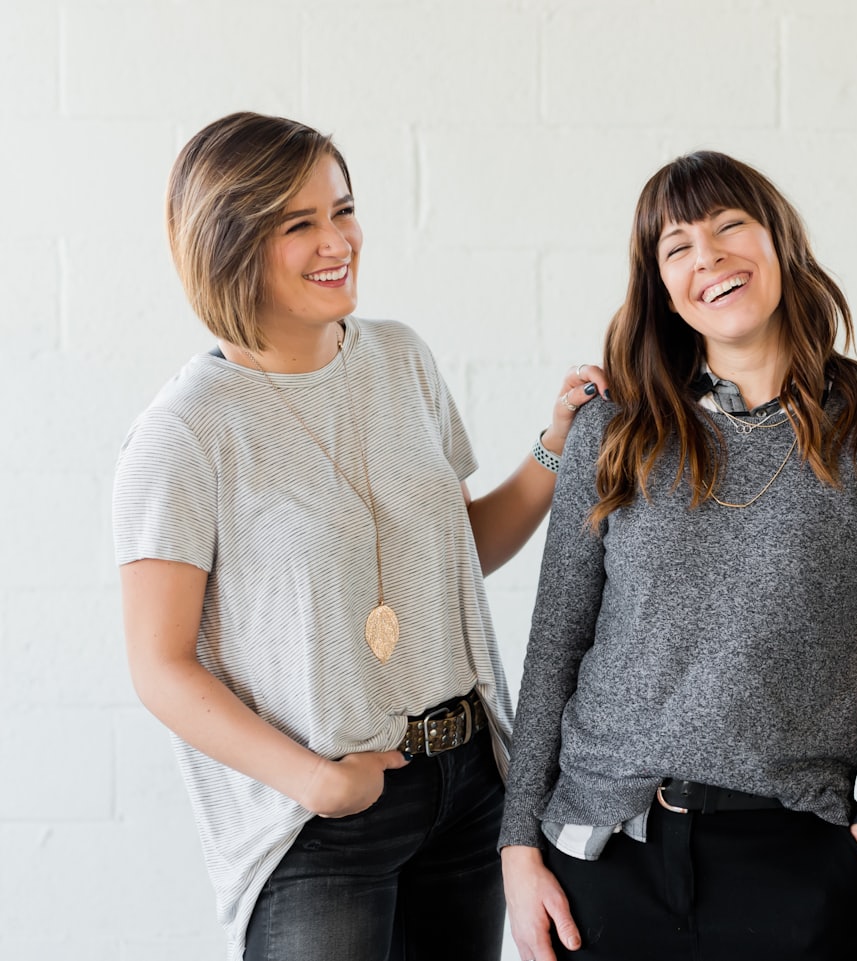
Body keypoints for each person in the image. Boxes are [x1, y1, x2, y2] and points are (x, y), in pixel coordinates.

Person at [112, 111, 608, 961]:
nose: (337, 241)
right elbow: (159, 666)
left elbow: (458, 556)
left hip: (468, 785)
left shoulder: (401, 358)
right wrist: (317, 781)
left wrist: (555, 445)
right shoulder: (184, 432)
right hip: (320, 820)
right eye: (298, 224)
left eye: (342, 210)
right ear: (229, 243)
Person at [497, 150, 857, 961]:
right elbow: (557, 640)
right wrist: (519, 847)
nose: (709, 257)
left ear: (779, 241)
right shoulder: (614, 430)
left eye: (730, 226)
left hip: (795, 864)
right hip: (600, 858)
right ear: (662, 287)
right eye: (678, 247)